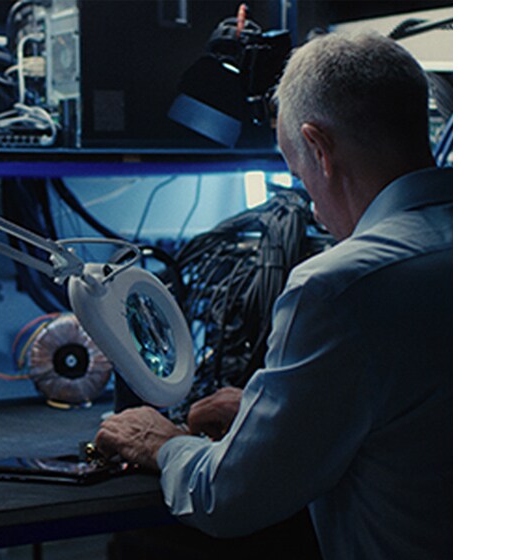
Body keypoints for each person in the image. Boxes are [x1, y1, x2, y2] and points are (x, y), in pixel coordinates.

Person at [95, 30, 452, 559]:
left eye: (298, 173)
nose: (307, 202)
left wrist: (160, 443)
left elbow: (228, 499)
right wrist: (283, 413)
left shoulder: (338, 287)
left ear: (318, 148)